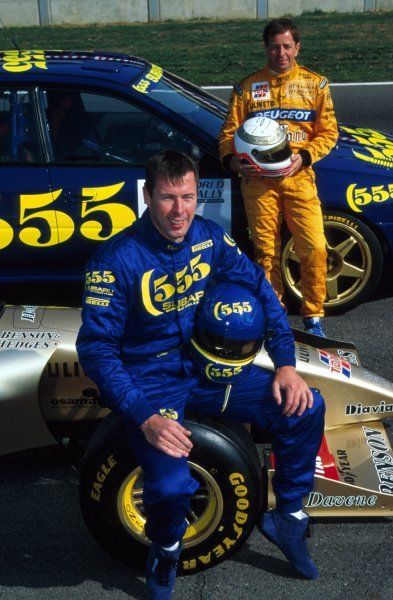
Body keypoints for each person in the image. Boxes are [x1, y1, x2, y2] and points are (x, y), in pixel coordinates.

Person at [76, 150, 325, 599]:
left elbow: (262, 292)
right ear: (147, 196)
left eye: (188, 197)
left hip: (208, 370)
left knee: (305, 409)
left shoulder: (210, 238)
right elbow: (96, 350)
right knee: (170, 487)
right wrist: (145, 417)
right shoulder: (114, 260)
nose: (180, 211)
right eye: (169, 198)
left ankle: (287, 518)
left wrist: (285, 362)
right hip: (150, 385)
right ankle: (167, 549)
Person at [219, 18, 338, 337]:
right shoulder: (246, 88)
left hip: (298, 177)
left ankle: (313, 315)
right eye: (275, 46)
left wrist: (304, 157)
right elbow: (228, 134)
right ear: (266, 48)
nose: (281, 52)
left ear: (297, 47)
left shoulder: (316, 85)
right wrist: (232, 162)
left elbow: (328, 132)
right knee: (266, 251)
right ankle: (274, 314)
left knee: (313, 247)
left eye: (287, 46)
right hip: (257, 181)